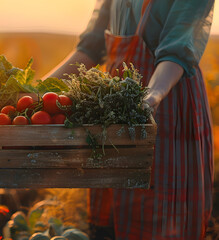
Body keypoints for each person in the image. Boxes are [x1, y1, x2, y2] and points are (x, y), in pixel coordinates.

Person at [44, 0, 215, 239]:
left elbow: (178, 48)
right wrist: (37, 91)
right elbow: (90, 49)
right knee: (115, 212)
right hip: (114, 108)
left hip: (166, 103)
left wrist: (151, 97)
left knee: (160, 214)